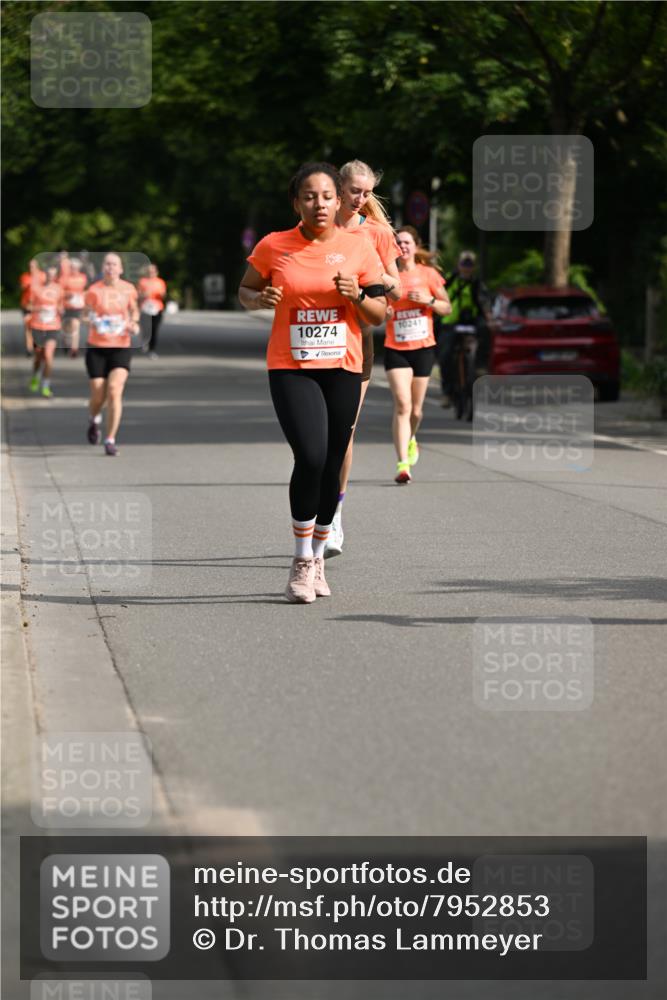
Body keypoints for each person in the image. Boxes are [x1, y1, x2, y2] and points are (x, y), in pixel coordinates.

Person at [239, 162, 386, 603]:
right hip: (291, 366)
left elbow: (379, 315)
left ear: (338, 201)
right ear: (296, 202)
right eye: (309, 196)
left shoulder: (359, 248)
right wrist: (258, 299)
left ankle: (320, 554)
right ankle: (302, 560)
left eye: (326, 196)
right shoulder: (274, 245)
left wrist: (356, 296)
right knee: (311, 454)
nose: (318, 204)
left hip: (343, 366)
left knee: (332, 460)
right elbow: (245, 290)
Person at [324, 159, 401, 558]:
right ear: (339, 187)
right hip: (313, 332)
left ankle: (333, 513)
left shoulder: (378, 232)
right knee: (314, 434)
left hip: (357, 336)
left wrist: (370, 280)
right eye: (356, 190)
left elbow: (396, 288)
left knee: (343, 430)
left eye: (368, 192)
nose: (362, 198)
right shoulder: (318, 224)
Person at [384, 226, 451, 483]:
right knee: (403, 405)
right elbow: (378, 310)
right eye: (398, 243)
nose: (402, 247)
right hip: (396, 348)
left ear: (415, 245)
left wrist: (429, 300)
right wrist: (385, 313)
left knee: (416, 412)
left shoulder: (429, 274)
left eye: (406, 242)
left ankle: (411, 437)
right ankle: (403, 465)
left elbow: (446, 308)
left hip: (423, 348)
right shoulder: (388, 278)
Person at [84, 253, 139, 456]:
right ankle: (93, 419)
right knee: (98, 394)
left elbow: (134, 310)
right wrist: (92, 320)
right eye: (107, 264)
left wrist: (133, 323)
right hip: (97, 346)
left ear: (121, 269)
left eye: (114, 264)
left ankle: (110, 439)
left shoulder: (128, 289)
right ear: (103, 268)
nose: (110, 267)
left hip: (120, 346)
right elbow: (84, 313)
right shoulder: (94, 290)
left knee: (114, 390)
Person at [437, 250, 487, 406]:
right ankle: (447, 392)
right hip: (451, 321)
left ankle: (480, 366)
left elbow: (485, 303)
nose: (466, 267)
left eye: (469, 264)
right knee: (445, 355)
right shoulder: (450, 280)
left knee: (485, 332)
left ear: (474, 266)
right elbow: (439, 295)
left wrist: (489, 317)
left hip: (471, 321)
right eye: (464, 264)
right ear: (458, 265)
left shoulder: (477, 283)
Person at [28, 264, 64, 397]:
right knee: (38, 356)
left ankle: (45, 386)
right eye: (48, 274)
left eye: (53, 275)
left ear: (55, 276)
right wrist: (39, 309)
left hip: (53, 326)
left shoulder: (59, 289)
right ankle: (35, 375)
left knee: (48, 356)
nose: (50, 277)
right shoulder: (36, 288)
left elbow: (61, 305)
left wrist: (60, 310)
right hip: (38, 326)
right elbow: (28, 305)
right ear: (45, 274)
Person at [59, 257, 88, 358]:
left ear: (79, 268)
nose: (74, 269)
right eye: (72, 267)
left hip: (78, 305)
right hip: (66, 305)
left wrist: (84, 299)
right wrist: (67, 294)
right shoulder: (64, 278)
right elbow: (59, 292)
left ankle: (74, 349)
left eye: (75, 268)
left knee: (76, 325)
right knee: (66, 327)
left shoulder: (83, 277)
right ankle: (65, 343)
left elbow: (85, 290)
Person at [138, 263, 167, 358]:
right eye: (149, 271)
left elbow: (164, 295)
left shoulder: (160, 282)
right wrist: (143, 295)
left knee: (154, 329)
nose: (151, 273)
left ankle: (152, 350)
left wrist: (161, 295)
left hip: (157, 308)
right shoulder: (142, 281)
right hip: (145, 308)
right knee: (146, 328)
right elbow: (137, 295)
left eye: (153, 271)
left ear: (156, 272)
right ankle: (145, 341)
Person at [19, 259, 45, 356]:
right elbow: (22, 287)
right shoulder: (25, 276)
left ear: (37, 266)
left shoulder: (42, 276)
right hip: (27, 305)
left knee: (37, 326)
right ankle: (28, 348)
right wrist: (28, 285)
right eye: (30, 266)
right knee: (28, 326)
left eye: (33, 266)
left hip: (38, 305)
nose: (31, 268)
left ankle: (36, 342)